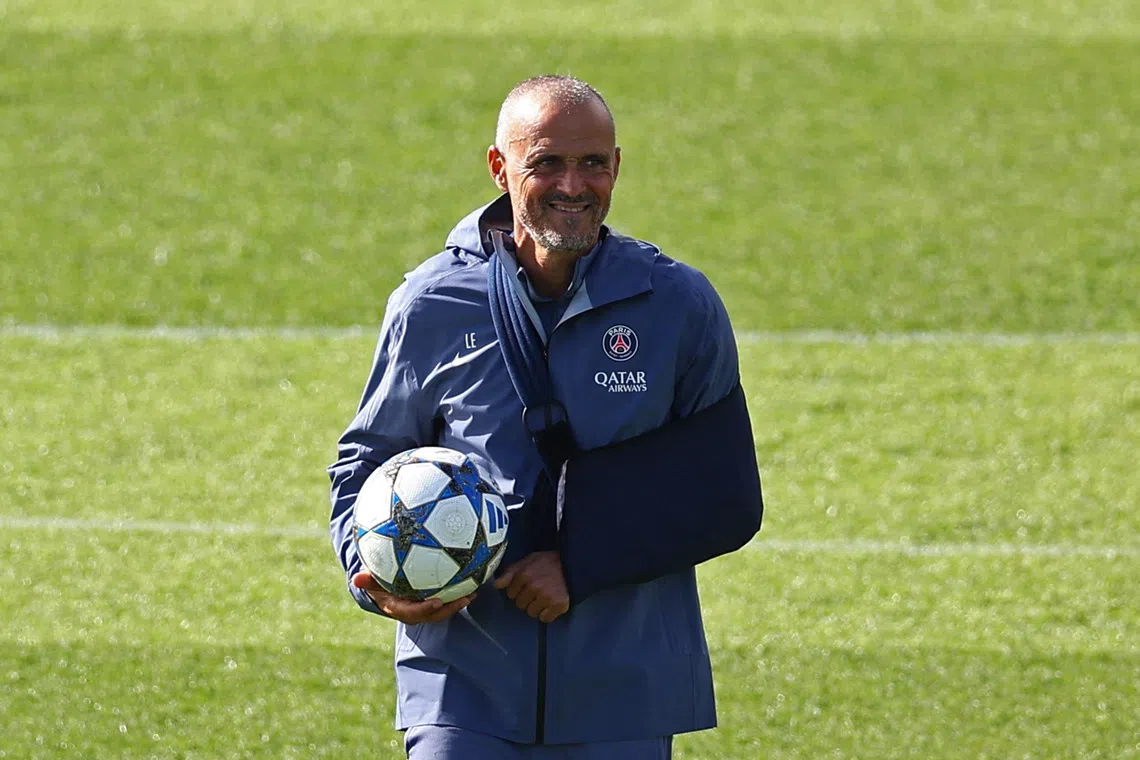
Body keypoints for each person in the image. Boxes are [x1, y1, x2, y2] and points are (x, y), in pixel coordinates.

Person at [328, 75, 763, 760]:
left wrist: (581, 566)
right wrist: (376, 578)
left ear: (617, 166)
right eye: (547, 163)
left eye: (593, 163)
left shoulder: (676, 303)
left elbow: (727, 494)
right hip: (461, 690)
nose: (573, 185)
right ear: (501, 169)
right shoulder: (432, 302)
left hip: (625, 693)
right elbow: (366, 462)